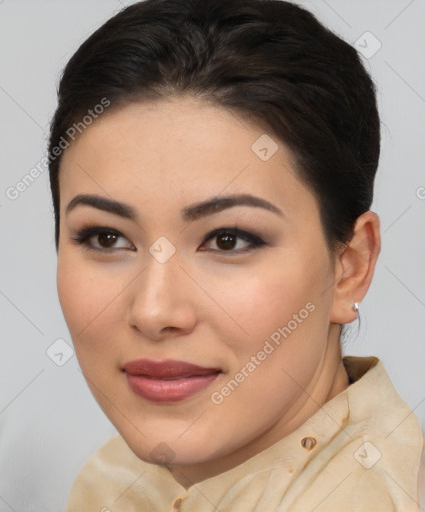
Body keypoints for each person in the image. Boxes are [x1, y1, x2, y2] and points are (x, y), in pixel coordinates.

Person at [46, 0, 424, 510]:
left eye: (228, 240)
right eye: (107, 238)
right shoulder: (114, 484)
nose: (154, 312)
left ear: (349, 268)